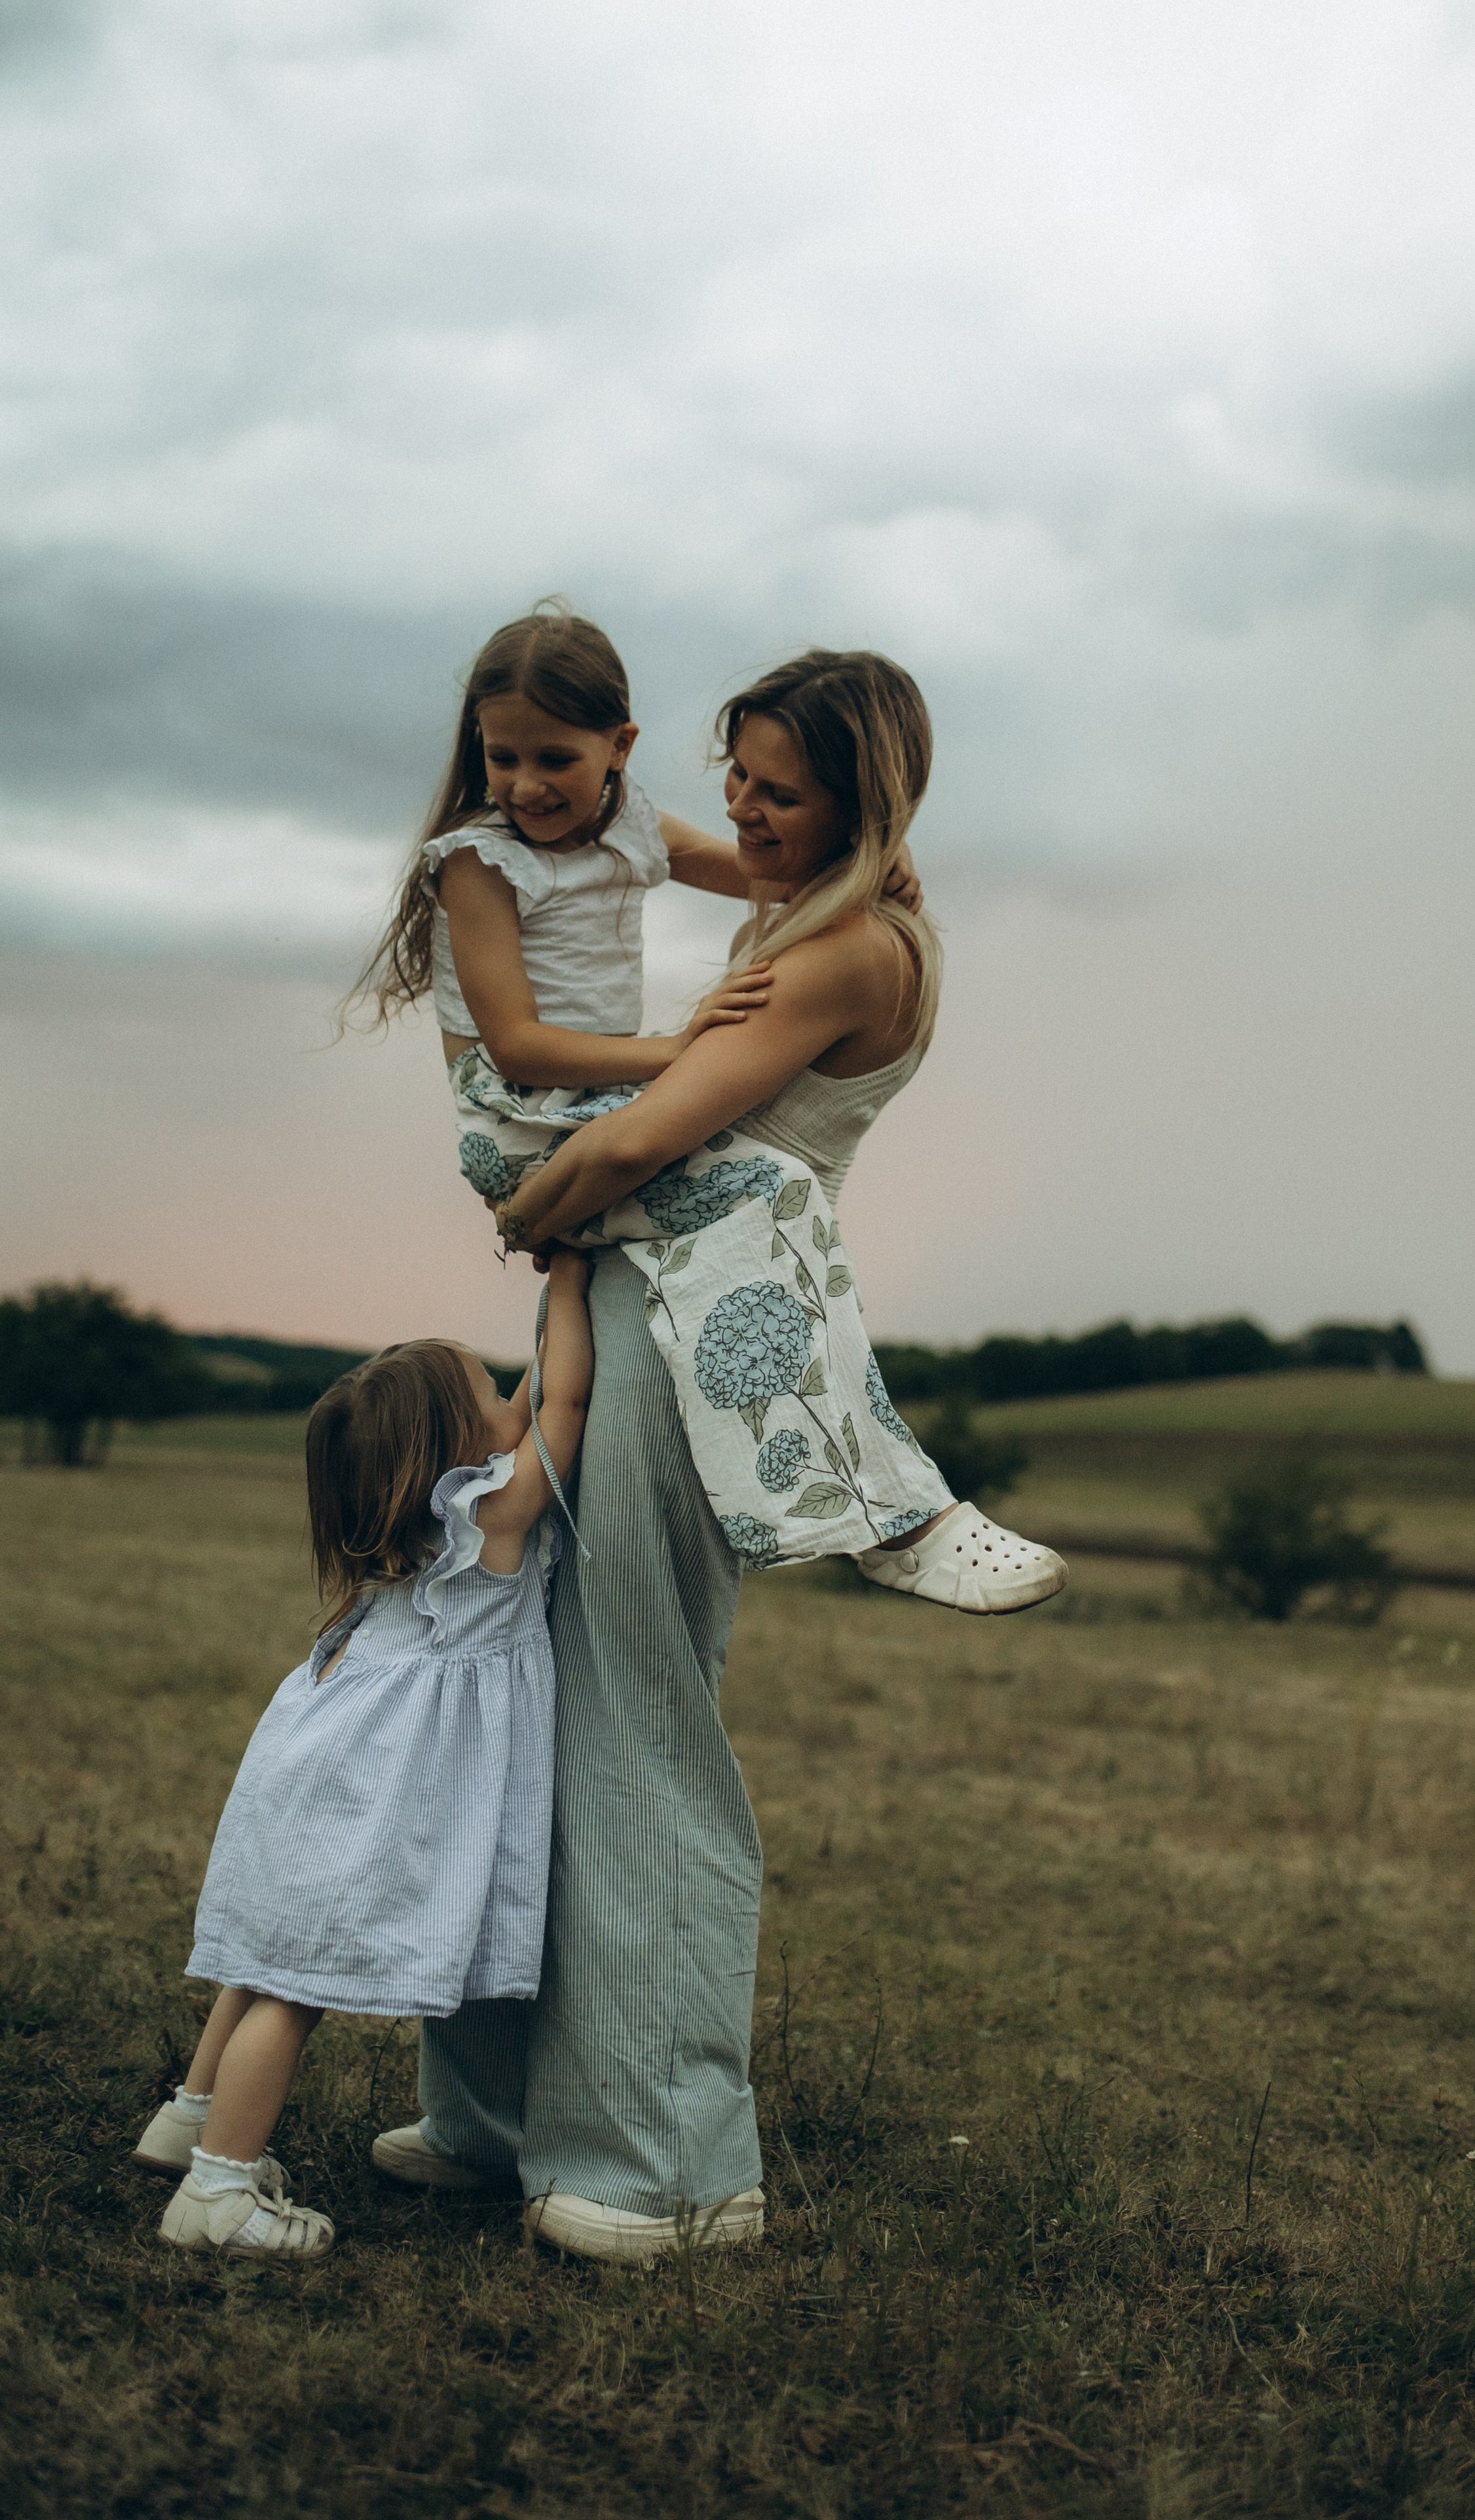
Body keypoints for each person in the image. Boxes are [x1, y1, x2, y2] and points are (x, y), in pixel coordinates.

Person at [377, 650, 1066, 2264]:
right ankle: (492, 2115)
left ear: (862, 802)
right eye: (737, 777)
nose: (742, 813)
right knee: (519, 1689)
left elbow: (639, 1134)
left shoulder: (846, 953)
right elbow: (641, 902)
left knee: (634, 1715)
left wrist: (530, 1209)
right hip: (620, 1311)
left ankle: (673, 2167)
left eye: (781, 792)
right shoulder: (784, 910)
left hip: (691, 1347)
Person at [356, 604, 1041, 1590]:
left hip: (584, 1110)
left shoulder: (629, 828)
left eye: (555, 758)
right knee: (776, 1191)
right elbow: (513, 1045)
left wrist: (876, 858)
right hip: (523, 1114)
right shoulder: (481, 859)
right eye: (502, 759)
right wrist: (670, 1055)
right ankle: (885, 1520)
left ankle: (866, 1511)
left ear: (619, 748)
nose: (525, 785)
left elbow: (760, 875)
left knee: (767, 1200)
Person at [132, 1261, 595, 2262]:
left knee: (264, 1963)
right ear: (456, 1453)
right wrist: (572, 1278)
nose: (507, 1395)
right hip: (368, 1789)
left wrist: (544, 1314)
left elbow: (528, 1396)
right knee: (296, 1986)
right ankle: (218, 2196)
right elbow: (563, 1398)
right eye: (486, 1392)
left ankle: (188, 2117)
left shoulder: (415, 1536)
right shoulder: (496, 1520)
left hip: (311, 1760)